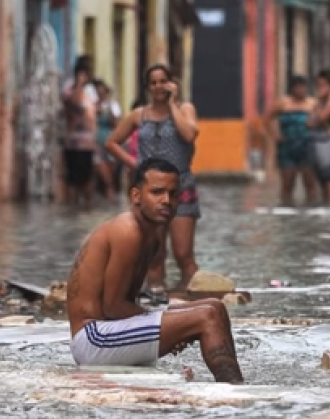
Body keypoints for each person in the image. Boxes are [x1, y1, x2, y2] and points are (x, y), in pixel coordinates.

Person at [66, 158, 244, 383]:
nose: (166, 201)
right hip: (93, 338)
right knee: (206, 316)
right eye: (157, 192)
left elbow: (127, 302)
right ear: (136, 196)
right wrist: (171, 324)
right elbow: (112, 306)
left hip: (110, 331)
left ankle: (233, 387)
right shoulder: (128, 230)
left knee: (215, 307)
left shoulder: (152, 236)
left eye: (173, 193)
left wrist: (170, 324)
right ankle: (234, 390)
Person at [104, 64, 201, 297]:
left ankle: (192, 297)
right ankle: (156, 297)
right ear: (148, 87)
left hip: (181, 188)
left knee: (183, 253)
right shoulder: (139, 115)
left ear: (171, 83)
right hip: (150, 191)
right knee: (153, 254)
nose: (158, 86)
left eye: (163, 81)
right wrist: (135, 165)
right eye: (153, 82)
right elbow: (111, 143)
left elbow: (189, 134)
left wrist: (172, 103)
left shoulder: (184, 109)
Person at [266, 76, 319, 205]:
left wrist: (314, 123)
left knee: (310, 183)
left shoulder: (312, 104)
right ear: (293, 88)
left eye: (304, 87)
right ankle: (286, 209)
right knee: (287, 184)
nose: (301, 90)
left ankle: (311, 209)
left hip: (306, 146)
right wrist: (275, 134)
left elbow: (322, 120)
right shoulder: (283, 103)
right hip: (287, 147)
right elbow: (268, 118)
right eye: (298, 87)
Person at [62, 61, 98, 207]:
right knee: (72, 177)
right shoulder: (69, 88)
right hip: (72, 142)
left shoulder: (90, 91)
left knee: (87, 176)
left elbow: (93, 111)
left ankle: (87, 205)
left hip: (87, 142)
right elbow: (74, 103)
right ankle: (72, 205)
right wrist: (78, 85)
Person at [308, 70, 330, 202]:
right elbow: (309, 123)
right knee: (320, 178)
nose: (320, 88)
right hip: (317, 141)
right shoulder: (319, 103)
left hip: (329, 143)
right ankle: (326, 205)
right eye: (318, 85)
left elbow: (321, 118)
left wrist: (317, 102)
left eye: (323, 85)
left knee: (329, 178)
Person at [93, 80, 123, 200]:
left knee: (111, 172)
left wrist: (107, 111)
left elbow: (116, 124)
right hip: (97, 142)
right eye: (97, 92)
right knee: (102, 170)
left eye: (102, 92)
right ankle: (108, 190)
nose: (100, 94)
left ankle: (110, 199)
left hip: (111, 141)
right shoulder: (93, 104)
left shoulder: (113, 105)